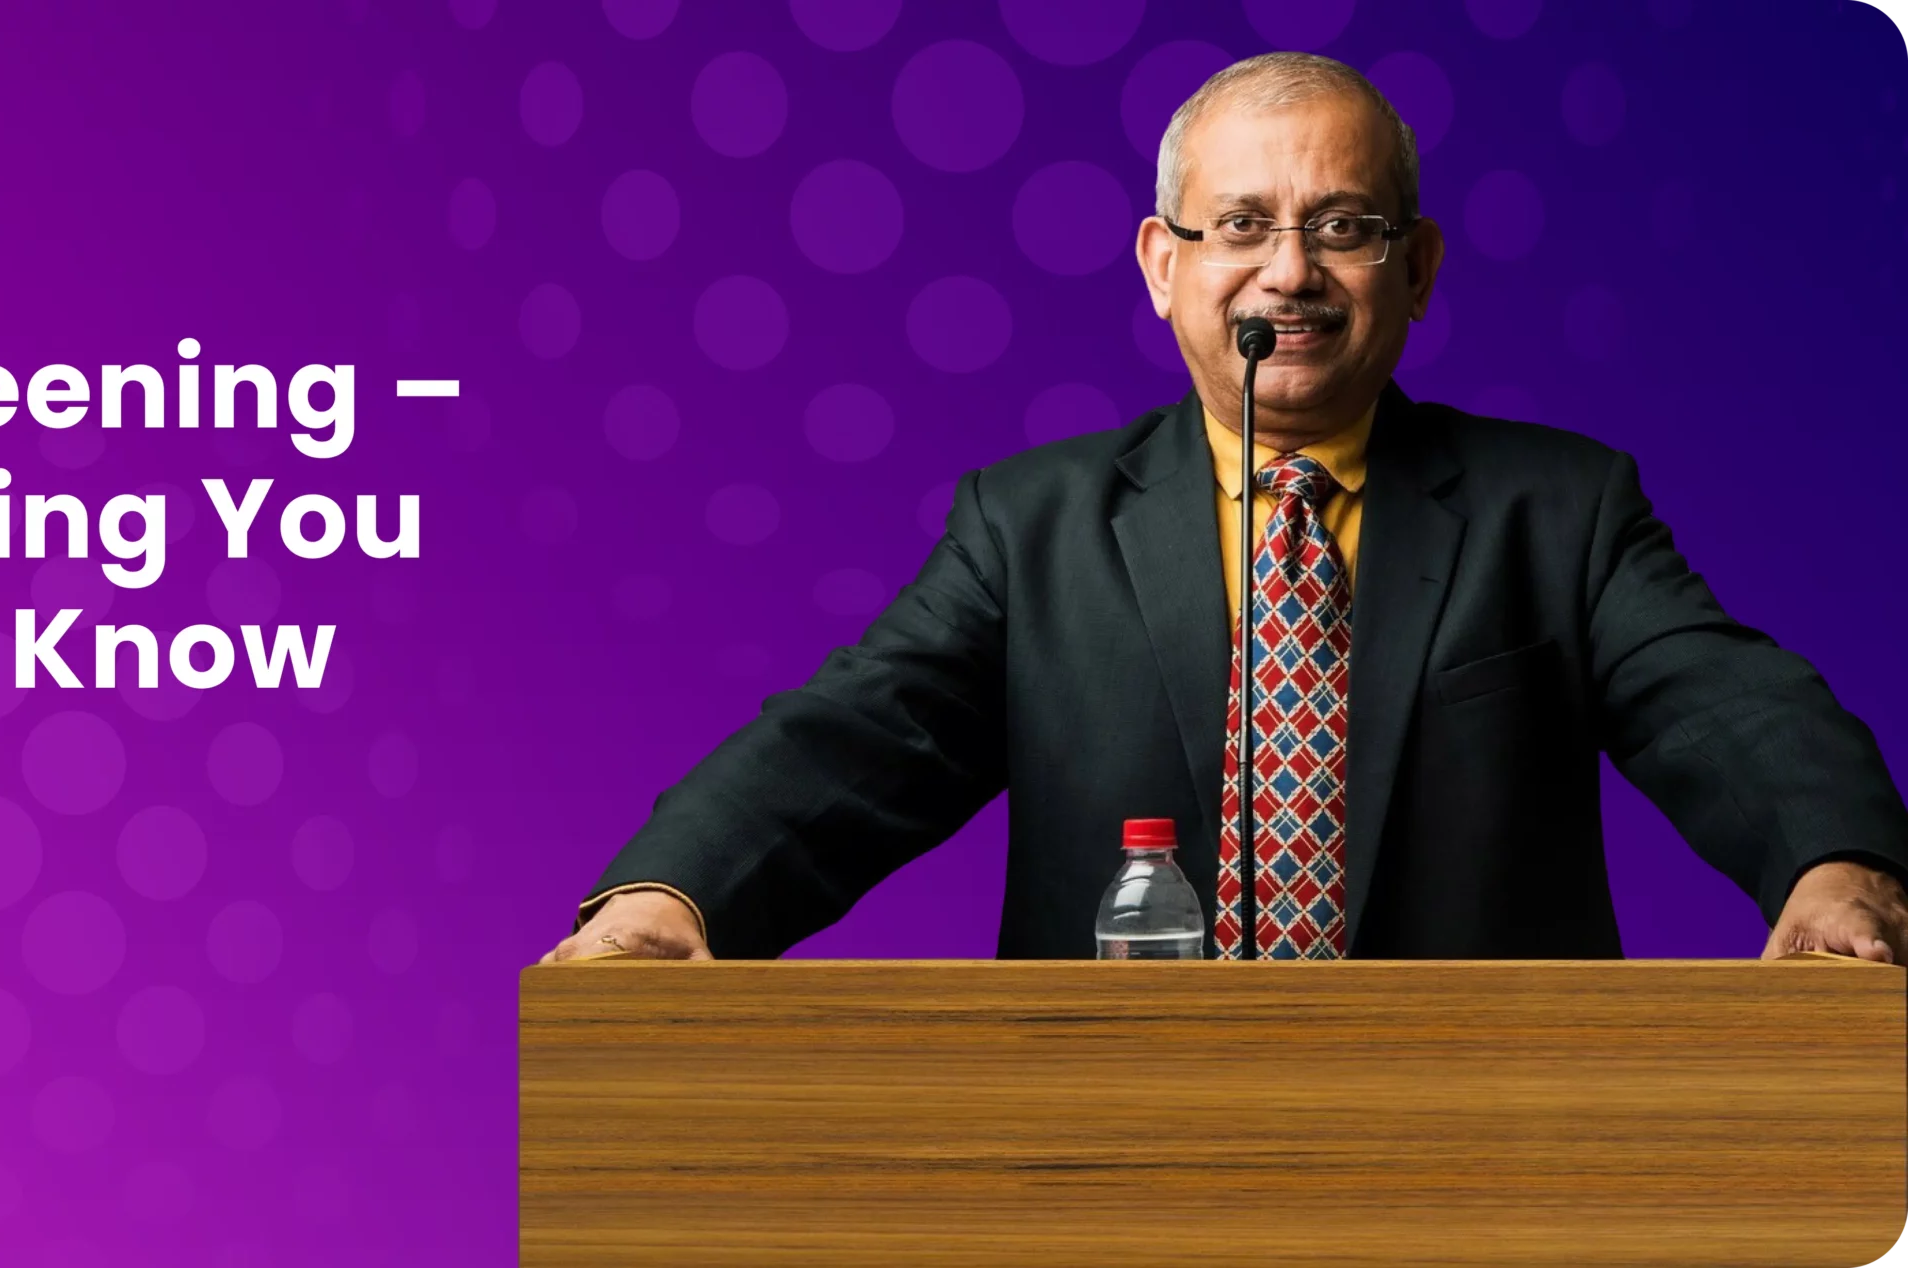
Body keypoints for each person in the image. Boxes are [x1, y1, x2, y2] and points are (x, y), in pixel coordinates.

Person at [540, 52, 1908, 965]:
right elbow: (857, 740)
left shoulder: (1560, 507)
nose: (1291, 272)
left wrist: (1836, 865)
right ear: (1161, 263)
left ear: (1418, 269)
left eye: (1347, 227)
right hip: (1114, 1162)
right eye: (1241, 224)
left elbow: (1724, 700)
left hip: (1481, 1150)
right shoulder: (1032, 528)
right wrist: (673, 894)